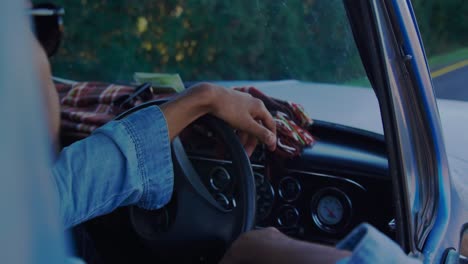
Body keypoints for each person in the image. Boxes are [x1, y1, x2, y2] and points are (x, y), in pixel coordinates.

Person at [30, 4, 422, 263]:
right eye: (37, 75)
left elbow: (52, 197)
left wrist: (201, 100)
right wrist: (263, 250)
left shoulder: (21, 223)